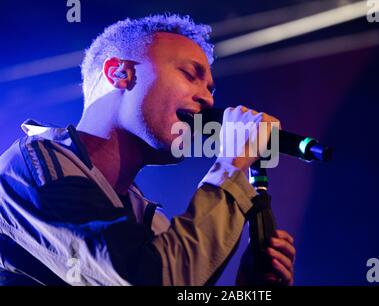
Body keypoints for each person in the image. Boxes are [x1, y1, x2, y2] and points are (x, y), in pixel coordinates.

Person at [0, 14, 295, 285]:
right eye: (190, 74)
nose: (207, 99)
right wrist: (231, 164)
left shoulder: (151, 222)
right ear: (119, 73)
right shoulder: (31, 168)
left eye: (211, 89)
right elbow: (149, 279)